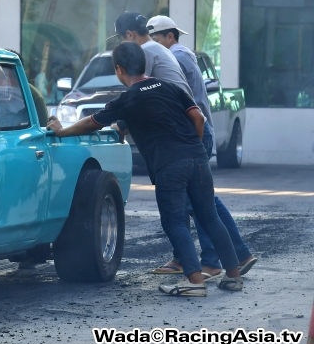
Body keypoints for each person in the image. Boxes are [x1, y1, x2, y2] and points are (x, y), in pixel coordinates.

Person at [48, 42, 244, 296]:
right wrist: (191, 147)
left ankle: (195, 282)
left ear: (119, 70)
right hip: (198, 160)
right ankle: (233, 276)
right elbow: (197, 118)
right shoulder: (172, 87)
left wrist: (61, 130)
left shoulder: (129, 98)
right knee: (209, 217)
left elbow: (91, 123)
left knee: (174, 221)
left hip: (169, 166)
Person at [147, 16, 258, 279]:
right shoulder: (179, 56)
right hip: (191, 133)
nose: (150, 48)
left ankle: (214, 260)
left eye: (155, 40)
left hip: (193, 133)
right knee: (195, 200)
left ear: (170, 37)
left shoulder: (177, 58)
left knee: (201, 203)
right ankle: (225, 255)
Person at [109, 12, 194, 100]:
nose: (122, 43)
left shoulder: (144, 51)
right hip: (182, 107)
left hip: (174, 108)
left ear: (130, 35)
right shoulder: (158, 48)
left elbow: (135, 90)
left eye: (121, 39)